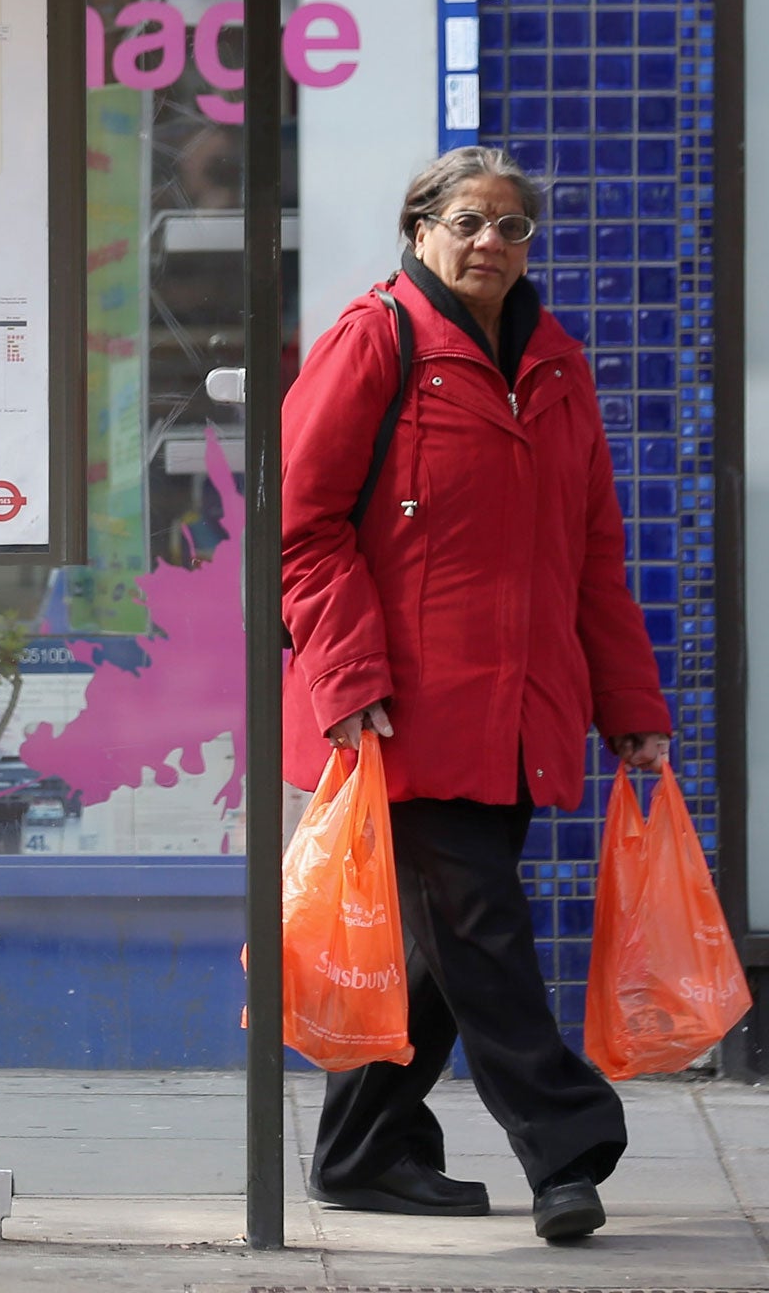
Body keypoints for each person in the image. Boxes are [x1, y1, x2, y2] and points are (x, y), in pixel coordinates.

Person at [280, 146, 672, 1244]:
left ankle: (362, 1152)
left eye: (509, 227)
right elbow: (299, 529)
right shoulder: (372, 342)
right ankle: (567, 1144)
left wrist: (629, 708)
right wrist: (347, 678)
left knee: (443, 951)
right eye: (465, 221)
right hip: (403, 711)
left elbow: (591, 550)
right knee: (482, 934)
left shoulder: (555, 362)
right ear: (417, 231)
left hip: (518, 712)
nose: (488, 243)